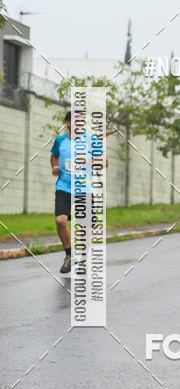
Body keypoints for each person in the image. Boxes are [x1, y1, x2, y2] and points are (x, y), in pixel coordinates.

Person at [50, 110, 106, 274]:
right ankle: (69, 255)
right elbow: (54, 156)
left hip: (84, 188)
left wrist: (89, 160)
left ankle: (83, 259)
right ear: (68, 123)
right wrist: (54, 167)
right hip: (64, 187)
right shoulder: (60, 140)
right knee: (60, 220)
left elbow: (105, 161)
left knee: (84, 226)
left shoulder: (91, 140)